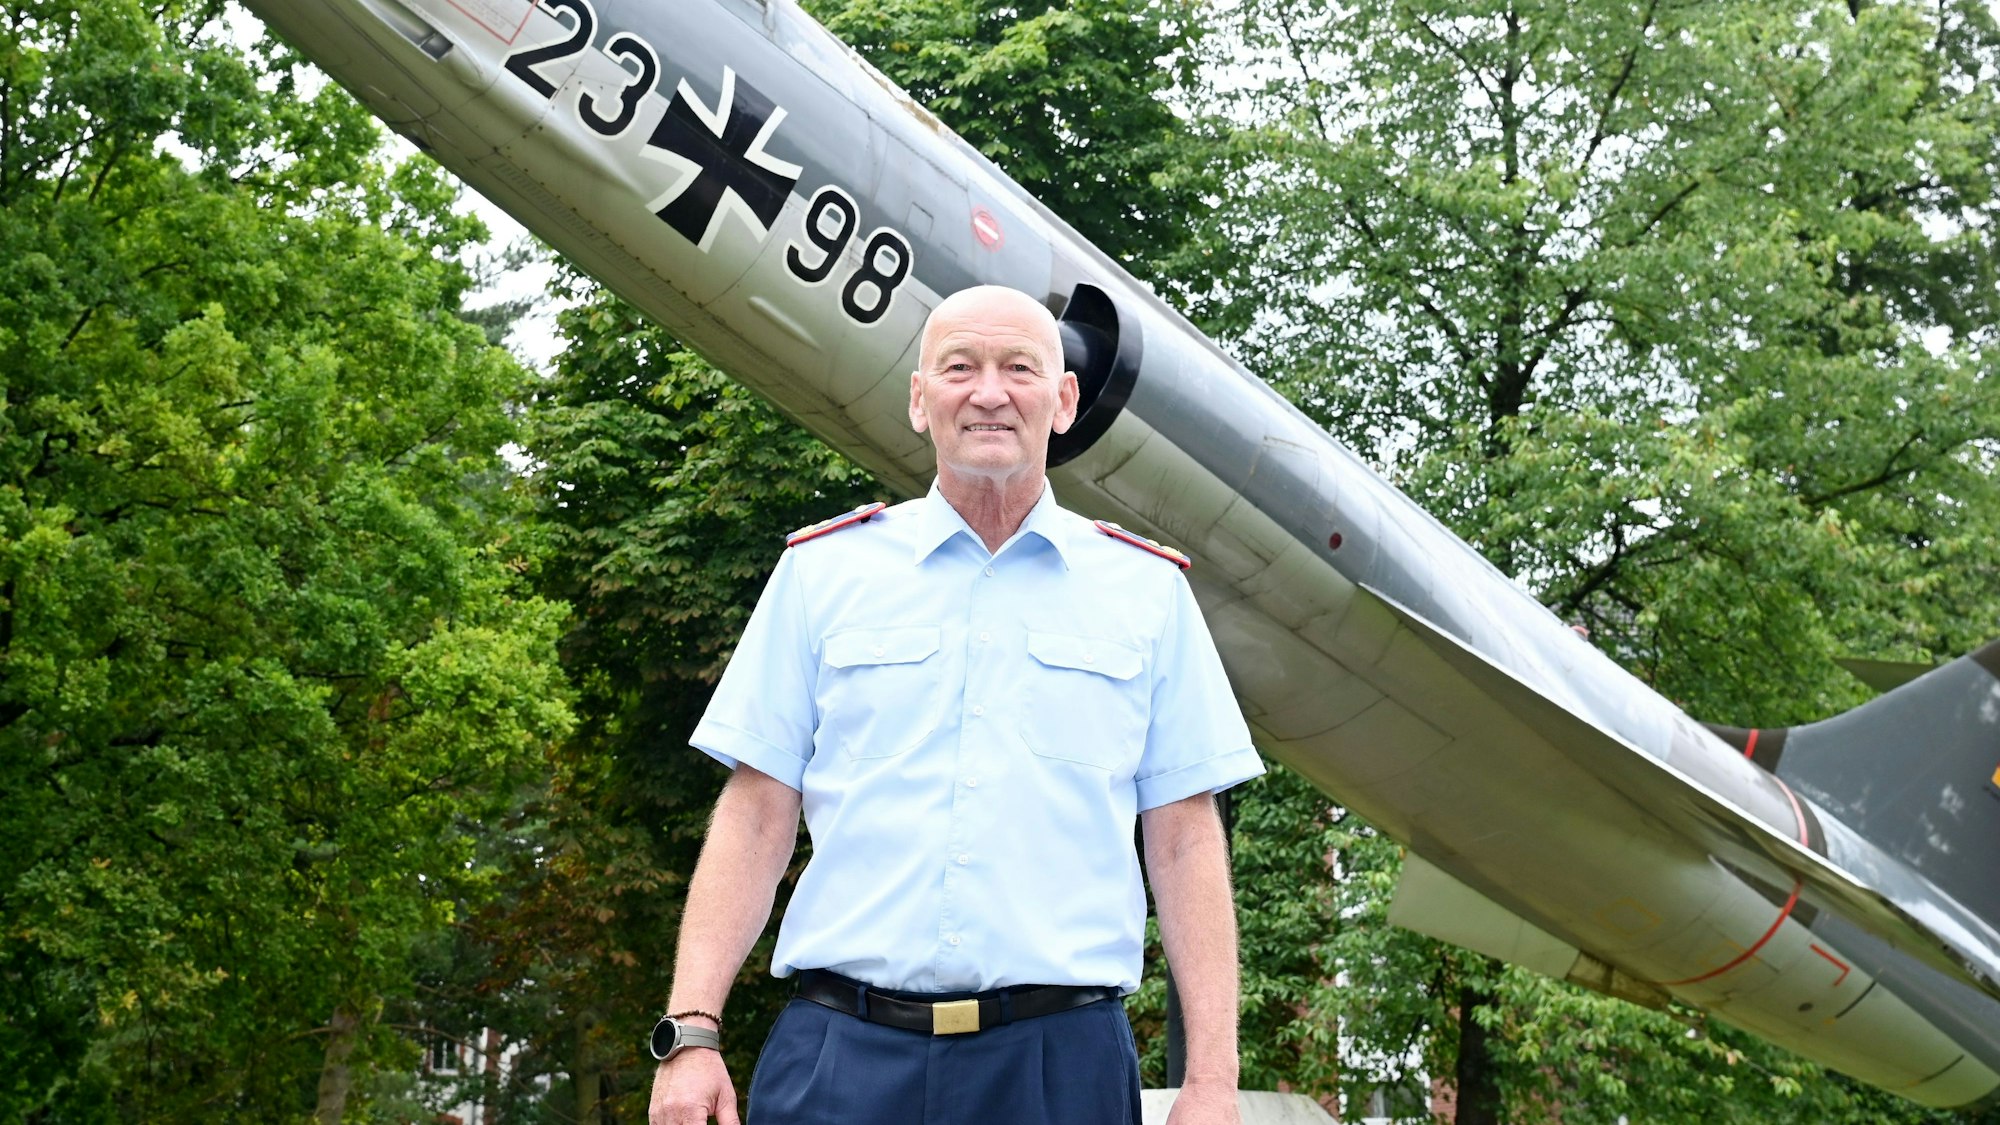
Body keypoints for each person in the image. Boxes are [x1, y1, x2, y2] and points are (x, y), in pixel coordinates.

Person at [647, 285, 1263, 1125]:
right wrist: (691, 1032)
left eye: (1019, 368)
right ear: (918, 397)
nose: (989, 392)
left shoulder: (1145, 592)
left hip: (1059, 1066)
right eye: (960, 367)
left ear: (1065, 399)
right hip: (840, 1057)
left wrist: (1214, 1083)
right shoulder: (823, 574)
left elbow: (1187, 838)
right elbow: (757, 814)